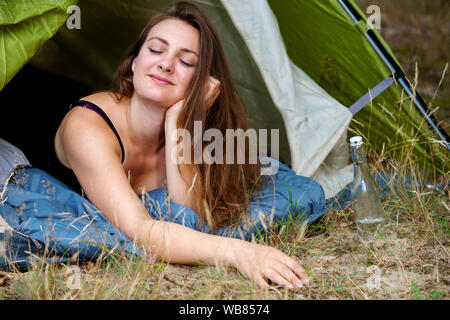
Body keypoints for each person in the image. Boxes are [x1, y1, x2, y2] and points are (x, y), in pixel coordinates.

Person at [53, 1, 321, 290]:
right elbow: (142, 231)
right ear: (134, 62)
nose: (166, 64)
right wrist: (241, 253)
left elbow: (190, 217)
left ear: (203, 82)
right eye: (155, 49)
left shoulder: (188, 128)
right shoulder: (87, 127)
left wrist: (176, 126)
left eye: (186, 62)